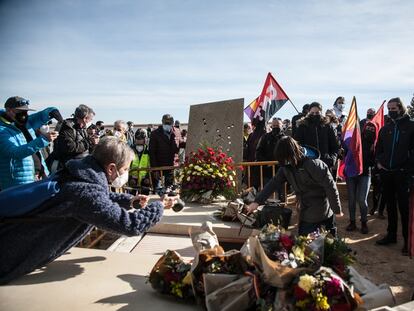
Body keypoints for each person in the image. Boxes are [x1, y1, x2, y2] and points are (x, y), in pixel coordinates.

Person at [0, 137, 178, 284]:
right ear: (111, 168)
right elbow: (130, 225)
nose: (125, 174)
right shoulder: (85, 192)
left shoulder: (79, 172)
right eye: (124, 170)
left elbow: (101, 196)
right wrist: (159, 206)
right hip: (9, 253)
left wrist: (129, 201)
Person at [247, 136, 343, 236]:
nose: (284, 162)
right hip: (304, 210)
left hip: (321, 209)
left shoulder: (314, 164)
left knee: (321, 242)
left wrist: (336, 209)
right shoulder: (286, 167)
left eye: (285, 158)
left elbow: (330, 186)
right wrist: (257, 202)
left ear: (292, 153)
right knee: (308, 242)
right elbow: (273, 183)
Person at [375, 97, 414, 256]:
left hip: (403, 174)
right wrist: (378, 162)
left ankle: (407, 241)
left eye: (394, 108)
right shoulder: (386, 128)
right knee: (390, 206)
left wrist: (408, 171)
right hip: (386, 173)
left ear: (401, 108)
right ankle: (391, 236)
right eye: (389, 109)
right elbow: (379, 149)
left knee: (404, 209)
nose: (391, 111)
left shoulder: (411, 126)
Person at [0, 96, 62, 189]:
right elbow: (14, 152)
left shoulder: (25, 122)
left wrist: (52, 111)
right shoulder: (2, 130)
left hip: (38, 175)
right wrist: (43, 140)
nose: (24, 115)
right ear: (8, 110)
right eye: (20, 112)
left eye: (26, 111)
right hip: (18, 181)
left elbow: (41, 116)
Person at [344, 122, 377, 234]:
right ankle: (352, 222)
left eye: (372, 129)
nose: (369, 130)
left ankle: (364, 222)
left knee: (362, 200)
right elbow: (345, 150)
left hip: (365, 174)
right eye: (368, 127)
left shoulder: (375, 144)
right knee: (352, 199)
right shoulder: (355, 139)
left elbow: (374, 162)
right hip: (351, 173)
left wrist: (373, 152)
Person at [49, 104, 98, 171]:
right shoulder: (67, 127)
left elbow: (86, 147)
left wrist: (93, 143)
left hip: (80, 165)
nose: (91, 122)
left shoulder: (83, 129)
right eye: (90, 119)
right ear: (85, 118)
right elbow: (69, 147)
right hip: (68, 167)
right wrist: (89, 142)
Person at [294, 102, 339, 169]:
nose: (315, 114)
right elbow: (297, 145)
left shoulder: (327, 127)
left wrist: (332, 159)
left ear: (321, 112)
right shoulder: (302, 127)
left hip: (325, 164)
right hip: (308, 165)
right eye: (312, 113)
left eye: (317, 113)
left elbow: (335, 146)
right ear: (309, 113)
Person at [149, 114, 180, 189]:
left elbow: (180, 144)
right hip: (159, 166)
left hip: (172, 165)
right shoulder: (155, 134)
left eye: (169, 123)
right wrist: (154, 168)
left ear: (172, 122)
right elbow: (152, 152)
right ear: (162, 122)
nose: (167, 124)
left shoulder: (177, 131)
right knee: (158, 190)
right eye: (165, 122)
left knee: (170, 189)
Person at [129, 129, 151, 194]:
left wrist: (148, 176)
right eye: (137, 138)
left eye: (141, 138)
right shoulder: (131, 149)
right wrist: (129, 176)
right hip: (133, 176)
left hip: (145, 176)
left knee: (144, 196)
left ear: (145, 139)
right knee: (132, 197)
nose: (139, 140)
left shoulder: (148, 150)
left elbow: (150, 163)